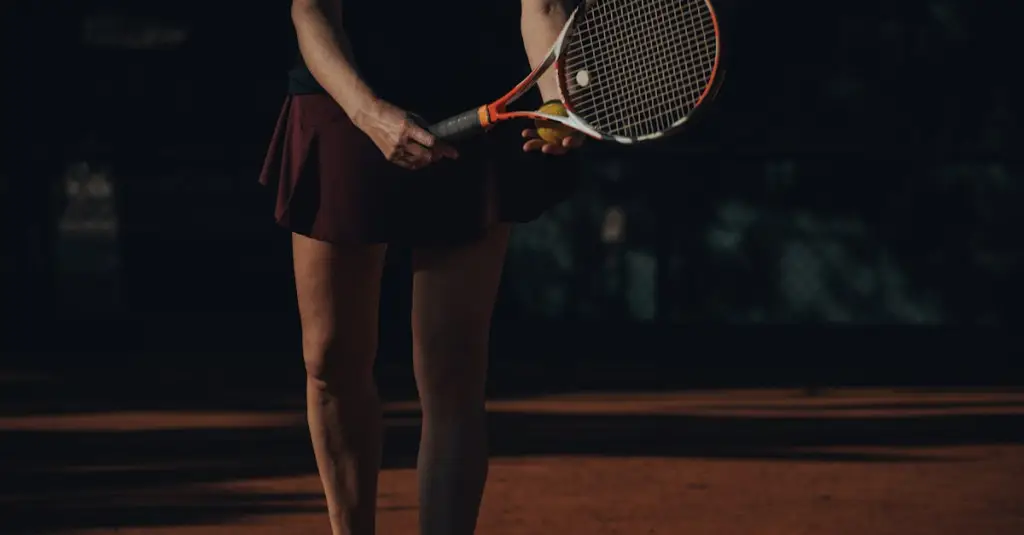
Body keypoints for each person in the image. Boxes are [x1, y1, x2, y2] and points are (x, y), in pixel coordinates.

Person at [258, 1, 583, 534]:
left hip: (476, 95)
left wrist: (556, 100)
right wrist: (370, 113)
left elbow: (543, 6)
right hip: (346, 89)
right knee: (331, 360)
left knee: (451, 365)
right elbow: (312, 11)